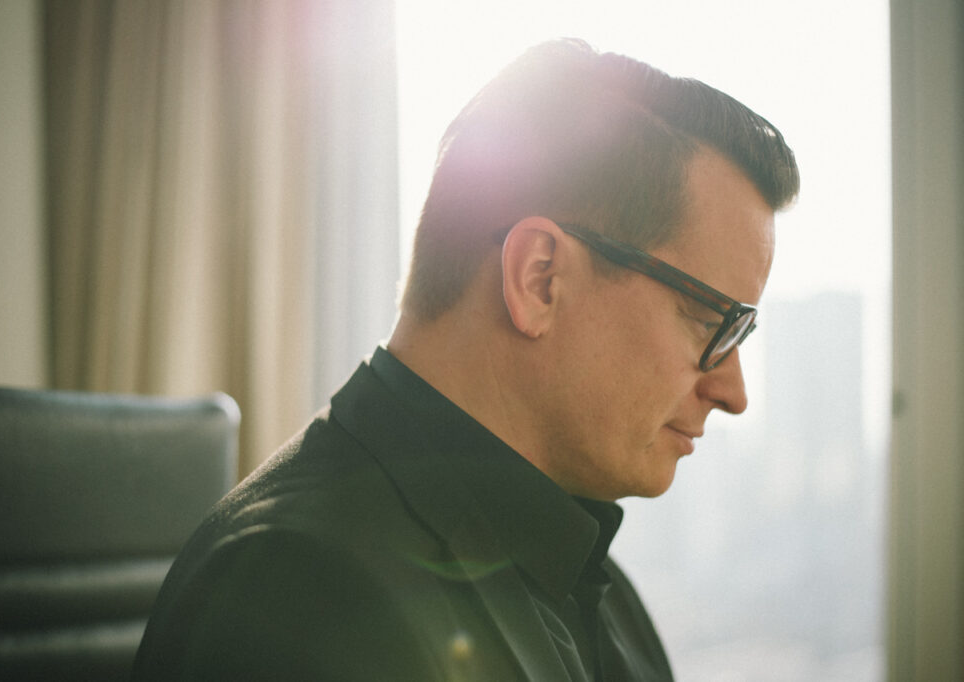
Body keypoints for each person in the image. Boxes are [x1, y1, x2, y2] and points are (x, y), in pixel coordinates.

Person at [132, 38, 799, 681]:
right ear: (539, 278)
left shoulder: (592, 585)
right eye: (710, 320)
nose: (734, 391)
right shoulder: (296, 599)